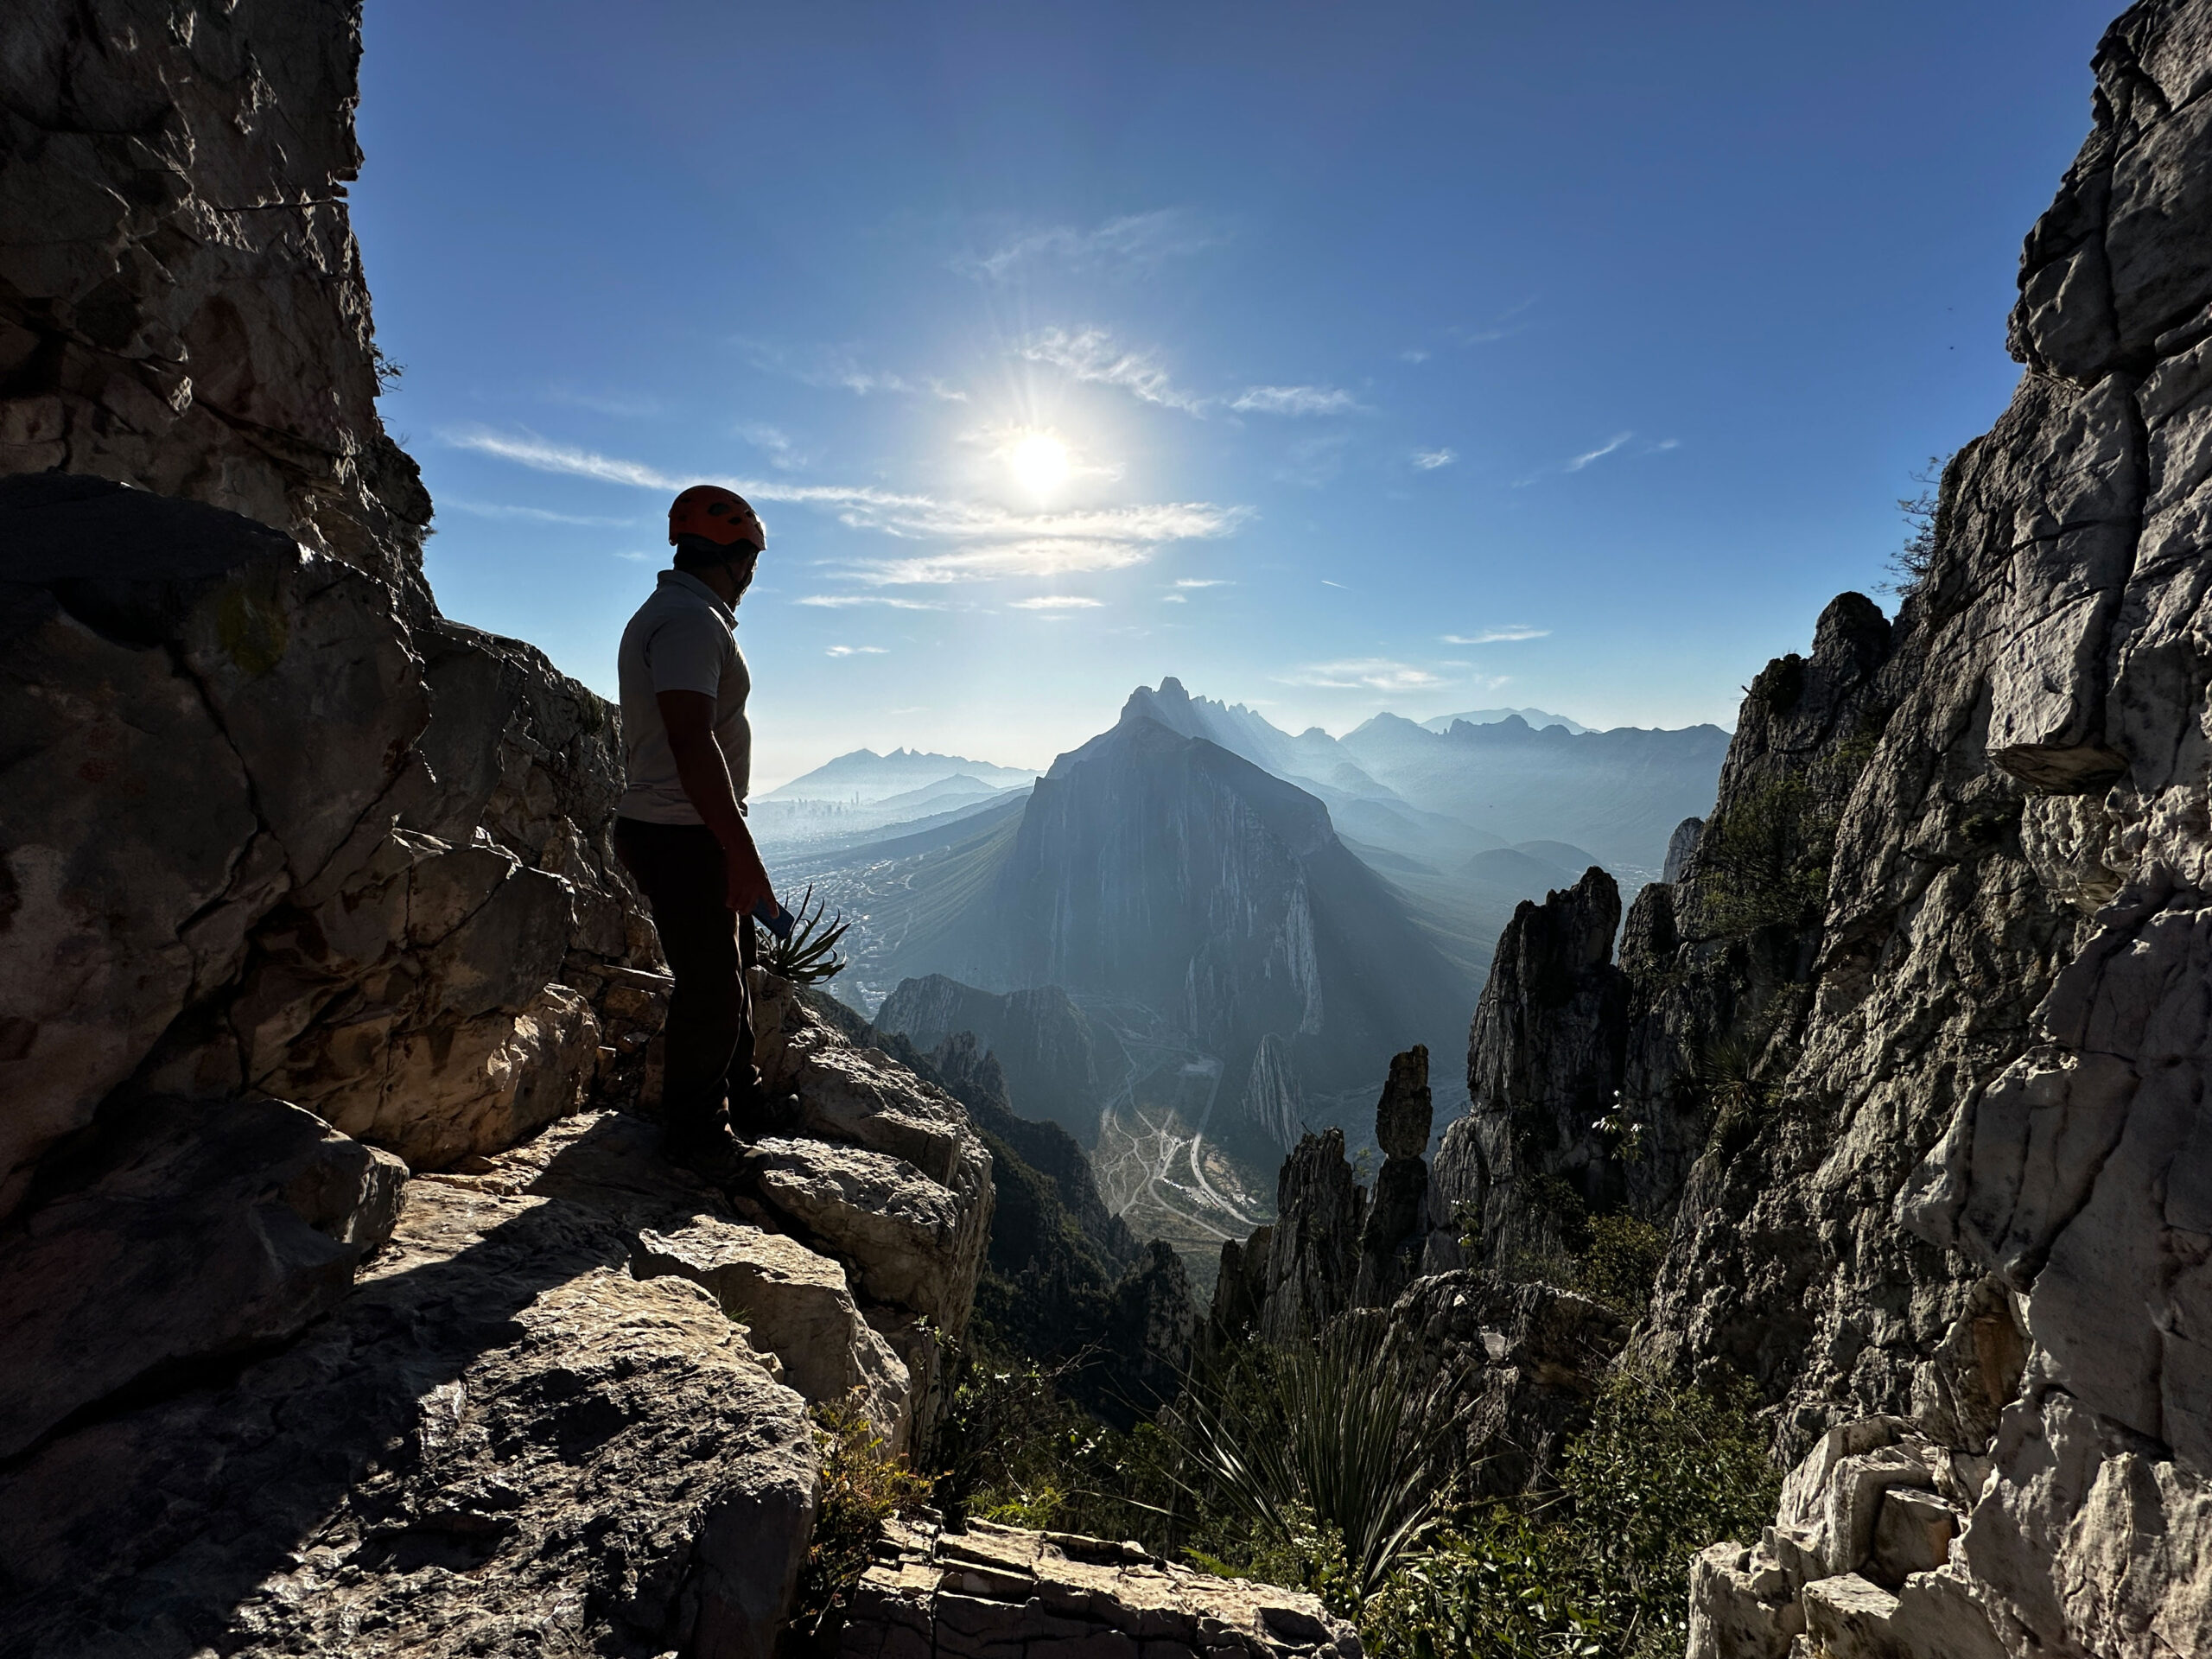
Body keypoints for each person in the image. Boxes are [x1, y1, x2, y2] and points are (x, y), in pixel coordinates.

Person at [612, 484, 791, 1184]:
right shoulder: (689, 622)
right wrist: (739, 851)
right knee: (711, 988)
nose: (751, 576)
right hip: (682, 833)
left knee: (731, 968)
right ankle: (695, 1135)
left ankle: (741, 1099)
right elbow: (691, 740)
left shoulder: (685, 614)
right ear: (737, 558)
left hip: (687, 827)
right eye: (751, 562)